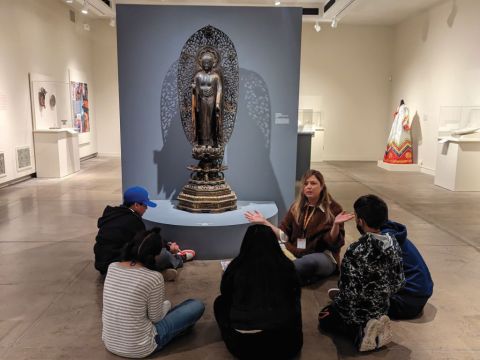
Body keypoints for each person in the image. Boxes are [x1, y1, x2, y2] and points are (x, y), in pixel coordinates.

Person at [318, 194, 405, 352]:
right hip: (382, 306)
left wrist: (340, 300)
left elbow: (346, 288)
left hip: (357, 311)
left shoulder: (356, 249)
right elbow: (399, 282)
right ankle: (378, 324)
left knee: (325, 315)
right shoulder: (393, 243)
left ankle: (360, 332)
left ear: (361, 221)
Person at [102, 229, 205, 358]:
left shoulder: (112, 267)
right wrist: (166, 304)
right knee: (195, 305)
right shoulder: (154, 278)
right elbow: (156, 318)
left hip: (109, 342)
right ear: (155, 255)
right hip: (141, 347)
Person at [245, 169, 353, 285]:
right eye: (306, 184)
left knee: (308, 262)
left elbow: (333, 242)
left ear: (322, 186)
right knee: (263, 250)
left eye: (313, 183)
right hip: (295, 252)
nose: (309, 187)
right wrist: (264, 222)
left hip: (322, 255)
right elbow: (284, 235)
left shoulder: (333, 209)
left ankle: (273, 277)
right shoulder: (296, 207)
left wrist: (336, 225)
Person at [214, 224, 303, 359]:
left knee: (219, 303)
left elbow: (225, 293)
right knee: (294, 301)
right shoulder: (286, 265)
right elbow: (296, 294)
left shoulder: (236, 267)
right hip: (287, 346)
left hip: (245, 348)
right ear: (274, 243)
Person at [93, 186, 195, 277]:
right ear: (136, 205)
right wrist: (169, 247)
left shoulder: (114, 214)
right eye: (145, 205)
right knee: (162, 256)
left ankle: (157, 273)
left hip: (103, 267)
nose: (146, 208)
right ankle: (178, 259)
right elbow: (146, 244)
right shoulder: (132, 221)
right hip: (117, 268)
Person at [381, 220, 434, 319]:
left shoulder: (383, 243)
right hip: (420, 296)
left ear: (361, 221)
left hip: (406, 303)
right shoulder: (395, 234)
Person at [192, 49, 223, 147]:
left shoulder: (215, 76)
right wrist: (194, 88)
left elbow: (219, 89)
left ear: (212, 63)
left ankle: (211, 142)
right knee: (201, 121)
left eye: (208, 62)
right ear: (201, 63)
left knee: (210, 121)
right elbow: (195, 87)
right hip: (201, 100)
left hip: (211, 100)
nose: (206, 64)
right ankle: (201, 142)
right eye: (204, 62)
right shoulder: (198, 75)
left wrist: (217, 103)